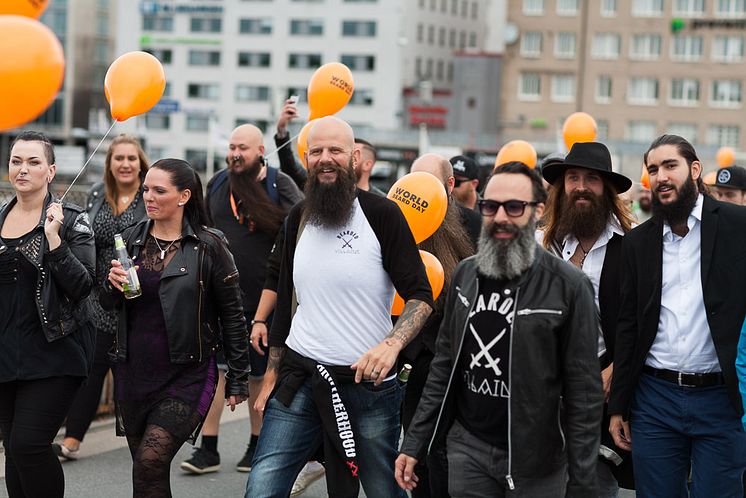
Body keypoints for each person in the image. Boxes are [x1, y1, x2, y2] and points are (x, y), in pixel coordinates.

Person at [245, 116, 434, 498]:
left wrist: (391, 345)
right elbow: (287, 297)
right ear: (307, 158)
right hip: (300, 376)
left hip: (369, 387)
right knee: (262, 487)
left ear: (355, 157)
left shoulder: (382, 215)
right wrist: (271, 372)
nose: (325, 158)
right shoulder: (298, 217)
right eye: (316, 151)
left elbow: (421, 294)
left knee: (384, 489)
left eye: (335, 150)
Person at [396, 161, 604, 497]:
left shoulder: (570, 286)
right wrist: (415, 442)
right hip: (468, 450)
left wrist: (582, 483)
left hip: (537, 459)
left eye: (514, 207)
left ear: (537, 211)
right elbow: (444, 366)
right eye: (491, 207)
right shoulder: (466, 275)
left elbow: (584, 392)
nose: (501, 217)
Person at [102, 158, 250, 497]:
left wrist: (239, 377)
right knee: (146, 471)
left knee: (150, 461)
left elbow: (233, 314)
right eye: (146, 190)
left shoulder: (209, 245)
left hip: (188, 372)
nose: (148, 197)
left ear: (184, 196)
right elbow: (106, 303)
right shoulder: (130, 240)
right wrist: (111, 285)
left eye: (159, 190)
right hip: (134, 370)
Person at [608, 134, 746, 497]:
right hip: (656, 399)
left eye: (671, 166)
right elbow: (629, 327)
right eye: (653, 169)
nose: (660, 177)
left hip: (722, 397)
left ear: (695, 170)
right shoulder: (638, 242)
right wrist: (618, 405)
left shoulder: (737, 225)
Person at [179, 124, 303, 475]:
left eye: (243, 148)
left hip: (268, 299)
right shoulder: (218, 182)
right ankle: (209, 448)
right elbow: (198, 228)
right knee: (214, 374)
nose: (235, 153)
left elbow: (301, 229)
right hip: (219, 297)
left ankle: (256, 444)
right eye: (232, 147)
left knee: (258, 375)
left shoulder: (281, 185)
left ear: (261, 151)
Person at [0, 131, 96, 498]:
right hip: (7, 353)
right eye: (16, 161)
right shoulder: (1, 218)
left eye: (33, 162)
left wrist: (54, 242)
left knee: (28, 444)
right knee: (14, 450)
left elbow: (84, 285)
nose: (23, 169)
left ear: (51, 171)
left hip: (55, 350)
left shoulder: (72, 220)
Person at [539, 141, 636, 496]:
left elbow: (644, 322)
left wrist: (614, 372)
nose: (581, 187)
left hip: (602, 387)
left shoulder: (632, 246)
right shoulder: (545, 244)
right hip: (546, 389)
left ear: (606, 189)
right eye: (573, 178)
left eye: (591, 179)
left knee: (593, 483)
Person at [54, 134, 149, 461]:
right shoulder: (97, 194)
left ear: (140, 163)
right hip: (99, 293)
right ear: (109, 163)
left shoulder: (148, 197)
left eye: (131, 158)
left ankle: (145, 434)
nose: (125, 164)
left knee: (134, 369)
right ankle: (73, 439)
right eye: (118, 158)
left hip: (138, 294)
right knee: (92, 369)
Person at [405, 153, 474, 498]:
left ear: (449, 186)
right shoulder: (397, 225)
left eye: (429, 184)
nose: (420, 194)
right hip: (415, 362)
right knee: (415, 457)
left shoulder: (474, 226)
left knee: (448, 456)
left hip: (461, 362)